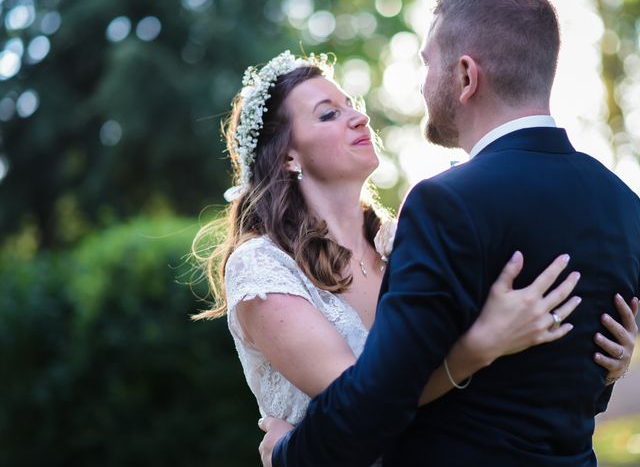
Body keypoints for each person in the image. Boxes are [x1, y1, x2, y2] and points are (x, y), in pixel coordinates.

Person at [191, 46, 637, 464]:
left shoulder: (402, 240)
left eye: (352, 105)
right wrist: (480, 346)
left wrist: (602, 357)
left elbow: (515, 342)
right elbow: (363, 401)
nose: (359, 118)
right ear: (289, 157)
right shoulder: (263, 267)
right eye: (329, 114)